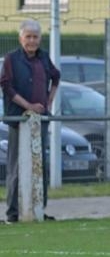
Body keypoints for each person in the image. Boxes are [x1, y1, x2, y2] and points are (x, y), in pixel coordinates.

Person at [0, 19, 60, 224]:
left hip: (40, 119)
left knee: (39, 163)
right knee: (17, 165)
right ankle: (13, 213)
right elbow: (7, 87)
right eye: (28, 37)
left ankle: (38, 209)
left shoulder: (43, 58)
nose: (32, 41)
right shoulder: (11, 59)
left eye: (35, 37)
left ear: (40, 39)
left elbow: (56, 77)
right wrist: (28, 106)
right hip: (20, 119)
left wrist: (48, 102)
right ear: (21, 38)